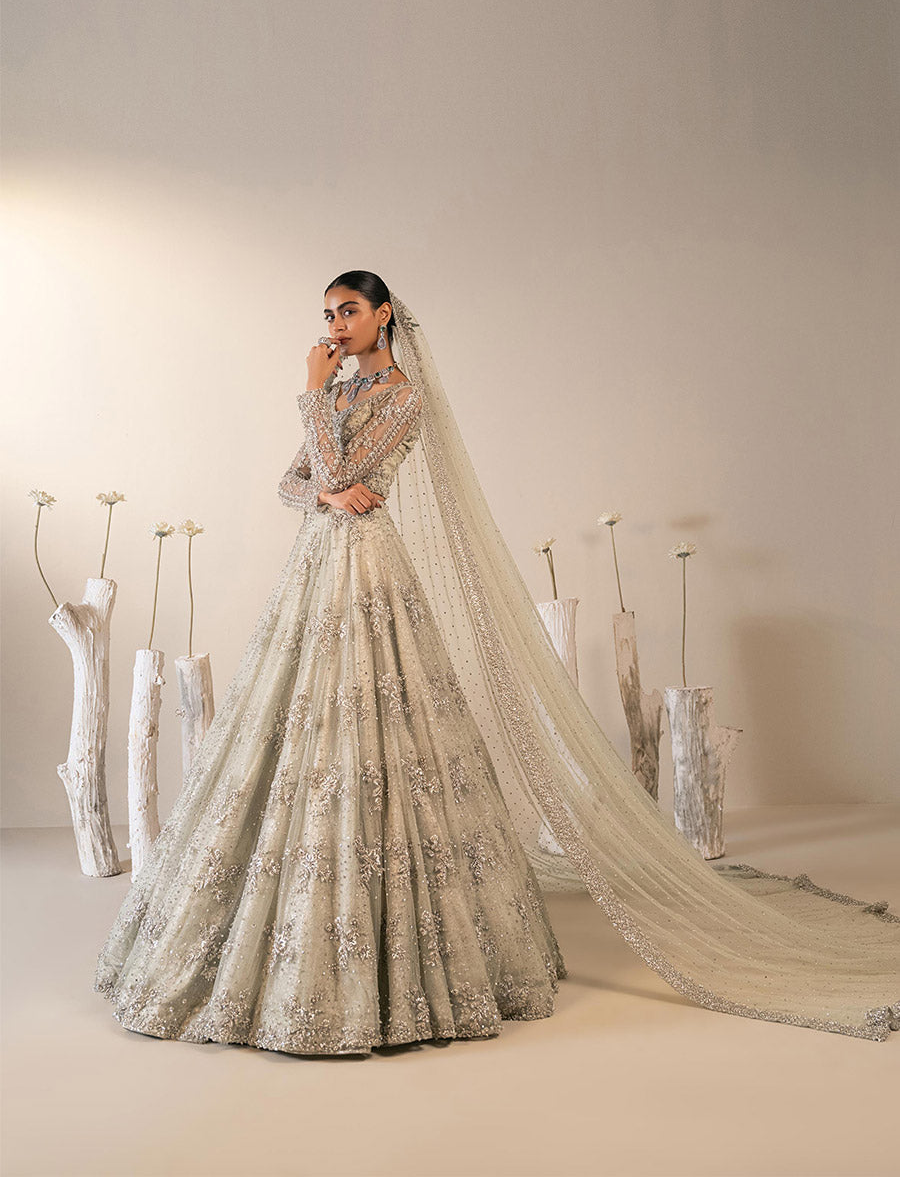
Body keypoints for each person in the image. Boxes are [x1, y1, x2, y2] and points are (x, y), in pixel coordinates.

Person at [95, 275, 899, 1052]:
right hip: (318, 567)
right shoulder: (336, 397)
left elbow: (333, 468)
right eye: (327, 315)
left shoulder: (400, 397)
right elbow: (296, 482)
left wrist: (314, 414)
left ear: (383, 318)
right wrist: (330, 492)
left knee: (385, 729)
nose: (334, 327)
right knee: (294, 722)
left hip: (368, 571)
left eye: (348, 312)